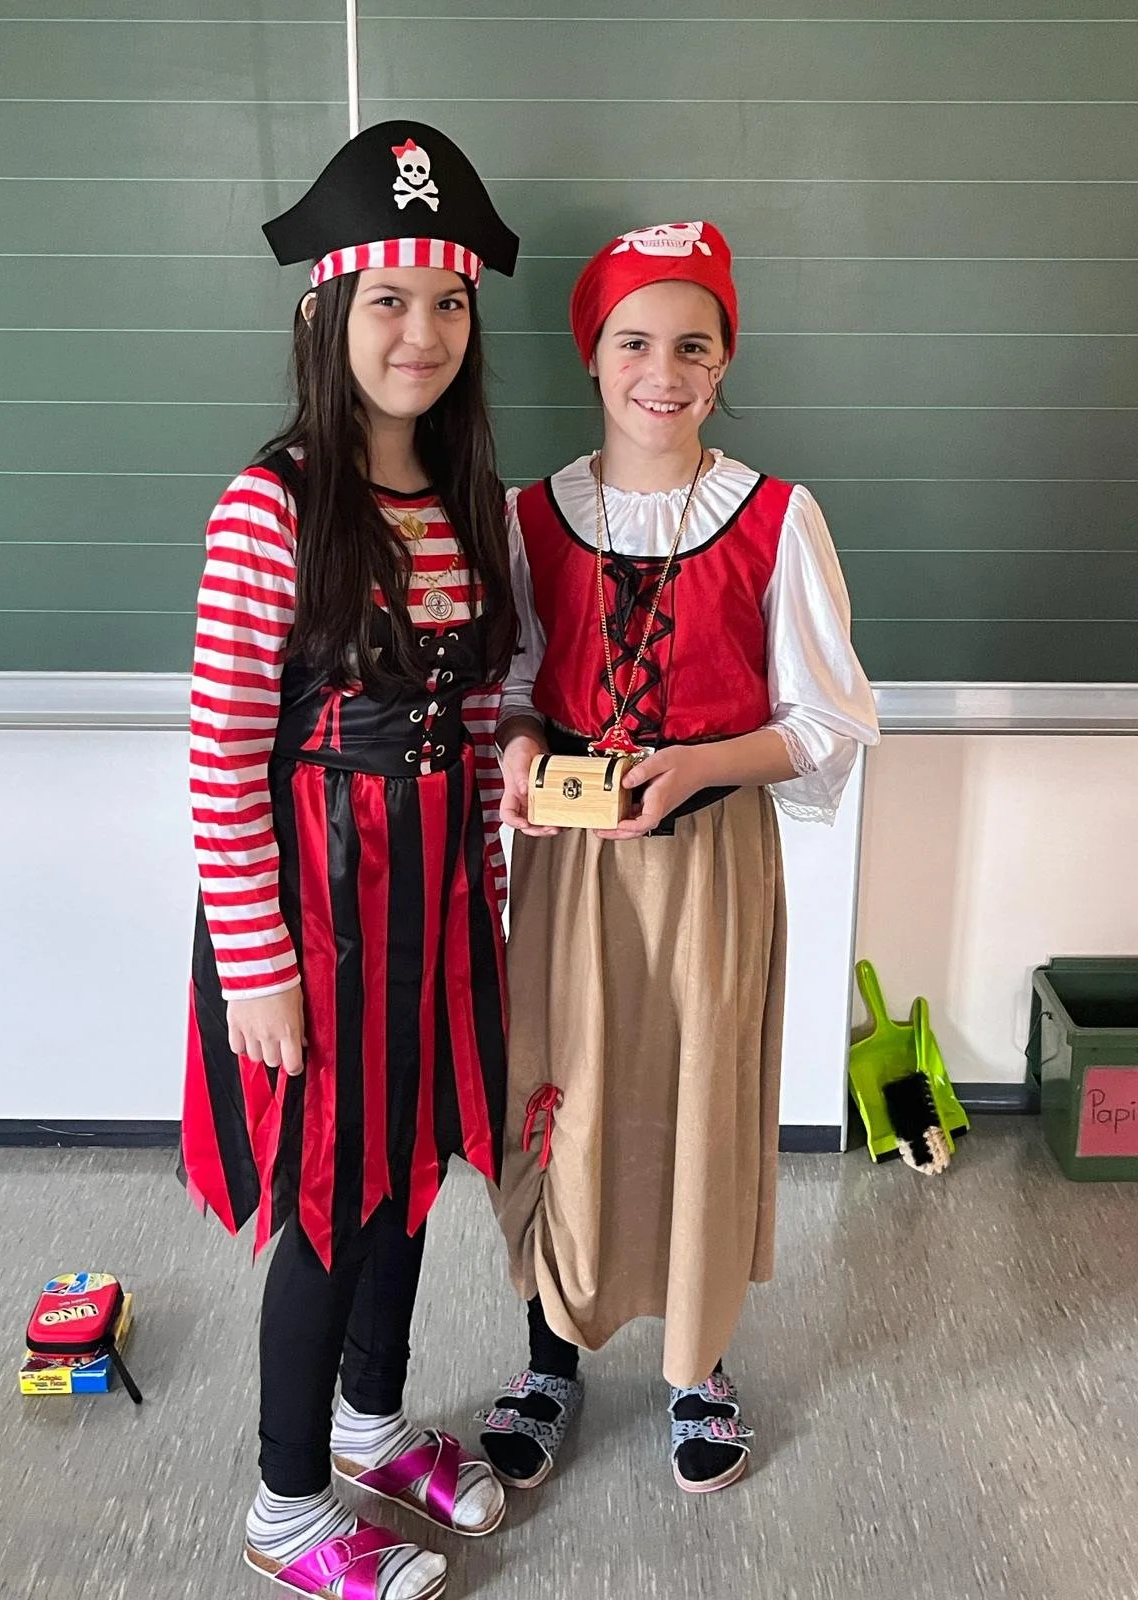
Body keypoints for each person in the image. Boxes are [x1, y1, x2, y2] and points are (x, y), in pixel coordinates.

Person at [480, 220, 880, 1496]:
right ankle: (551, 1352)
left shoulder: (775, 516)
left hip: (710, 862)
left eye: (693, 346)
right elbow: (516, 687)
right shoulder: (531, 514)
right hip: (572, 867)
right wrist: (524, 750)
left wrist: (700, 764)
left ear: (724, 364)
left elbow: (826, 719)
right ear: (592, 354)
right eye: (635, 341)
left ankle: (698, 1365)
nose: (663, 371)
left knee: (700, 1093)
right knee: (563, 1086)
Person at [181, 122, 519, 1600]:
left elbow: (481, 722)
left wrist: (488, 901)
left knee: (412, 1169)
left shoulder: (470, 500)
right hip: (317, 917)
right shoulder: (272, 507)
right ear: (328, 311)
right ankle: (287, 1504)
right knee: (330, 1198)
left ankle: (373, 1422)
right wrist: (256, 969)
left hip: (434, 914)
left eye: (447, 302)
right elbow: (221, 756)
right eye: (389, 300)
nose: (420, 333)